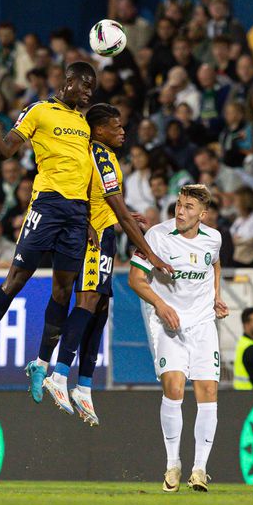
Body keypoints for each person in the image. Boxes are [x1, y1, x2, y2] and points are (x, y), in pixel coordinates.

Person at [0, 65, 169, 398]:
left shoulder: (85, 125)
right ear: (68, 82)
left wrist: (87, 221)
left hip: (76, 216)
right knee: (17, 278)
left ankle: (40, 365)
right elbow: (5, 151)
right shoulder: (39, 111)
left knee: (62, 292)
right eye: (85, 85)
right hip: (46, 206)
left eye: (92, 88)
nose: (88, 92)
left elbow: (88, 178)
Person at [38, 103, 174, 422]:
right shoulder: (100, 156)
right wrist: (150, 253)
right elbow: (113, 208)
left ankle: (83, 386)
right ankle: (59, 375)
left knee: (99, 310)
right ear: (99, 130)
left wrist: (116, 214)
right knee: (86, 304)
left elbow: (99, 198)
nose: (122, 131)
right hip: (94, 238)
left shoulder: (99, 155)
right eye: (117, 126)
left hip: (103, 234)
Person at [128, 184, 228, 492]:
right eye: (179, 205)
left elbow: (214, 263)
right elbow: (135, 278)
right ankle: (173, 464)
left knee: (208, 391)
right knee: (174, 387)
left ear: (202, 214)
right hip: (167, 323)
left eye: (188, 207)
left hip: (202, 324)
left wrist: (216, 296)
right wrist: (160, 304)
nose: (181, 211)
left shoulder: (214, 238)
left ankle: (199, 469)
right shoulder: (157, 237)